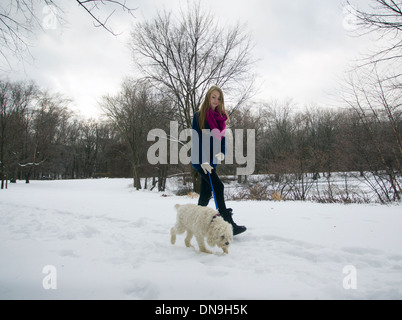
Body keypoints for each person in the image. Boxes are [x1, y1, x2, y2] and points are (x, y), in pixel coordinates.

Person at [191, 86, 247, 236]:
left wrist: (222, 152)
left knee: (205, 193)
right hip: (201, 161)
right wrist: (203, 160)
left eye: (219, 98)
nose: (216, 100)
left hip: (212, 161)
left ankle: (196, 223)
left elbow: (221, 139)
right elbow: (196, 140)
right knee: (218, 187)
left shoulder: (220, 117)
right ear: (208, 97)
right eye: (213, 97)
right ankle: (229, 224)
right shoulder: (198, 116)